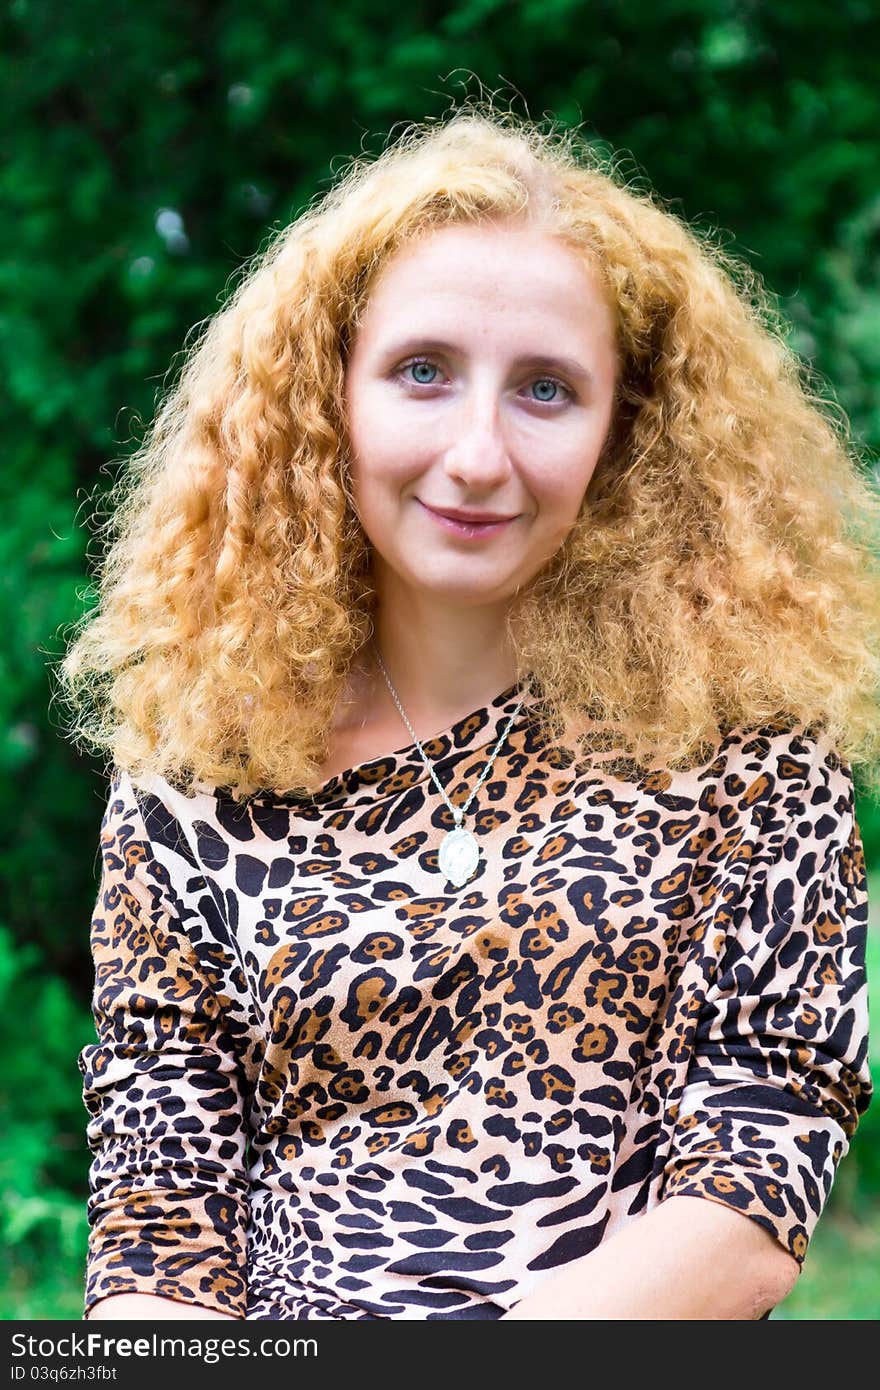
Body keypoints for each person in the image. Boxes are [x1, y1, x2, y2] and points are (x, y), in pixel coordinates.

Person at [58, 104, 880, 1321]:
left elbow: (756, 1168)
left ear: (626, 432)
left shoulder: (749, 750)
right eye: (423, 372)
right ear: (327, 393)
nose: (478, 453)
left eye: (547, 389)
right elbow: (159, 1215)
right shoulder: (195, 760)